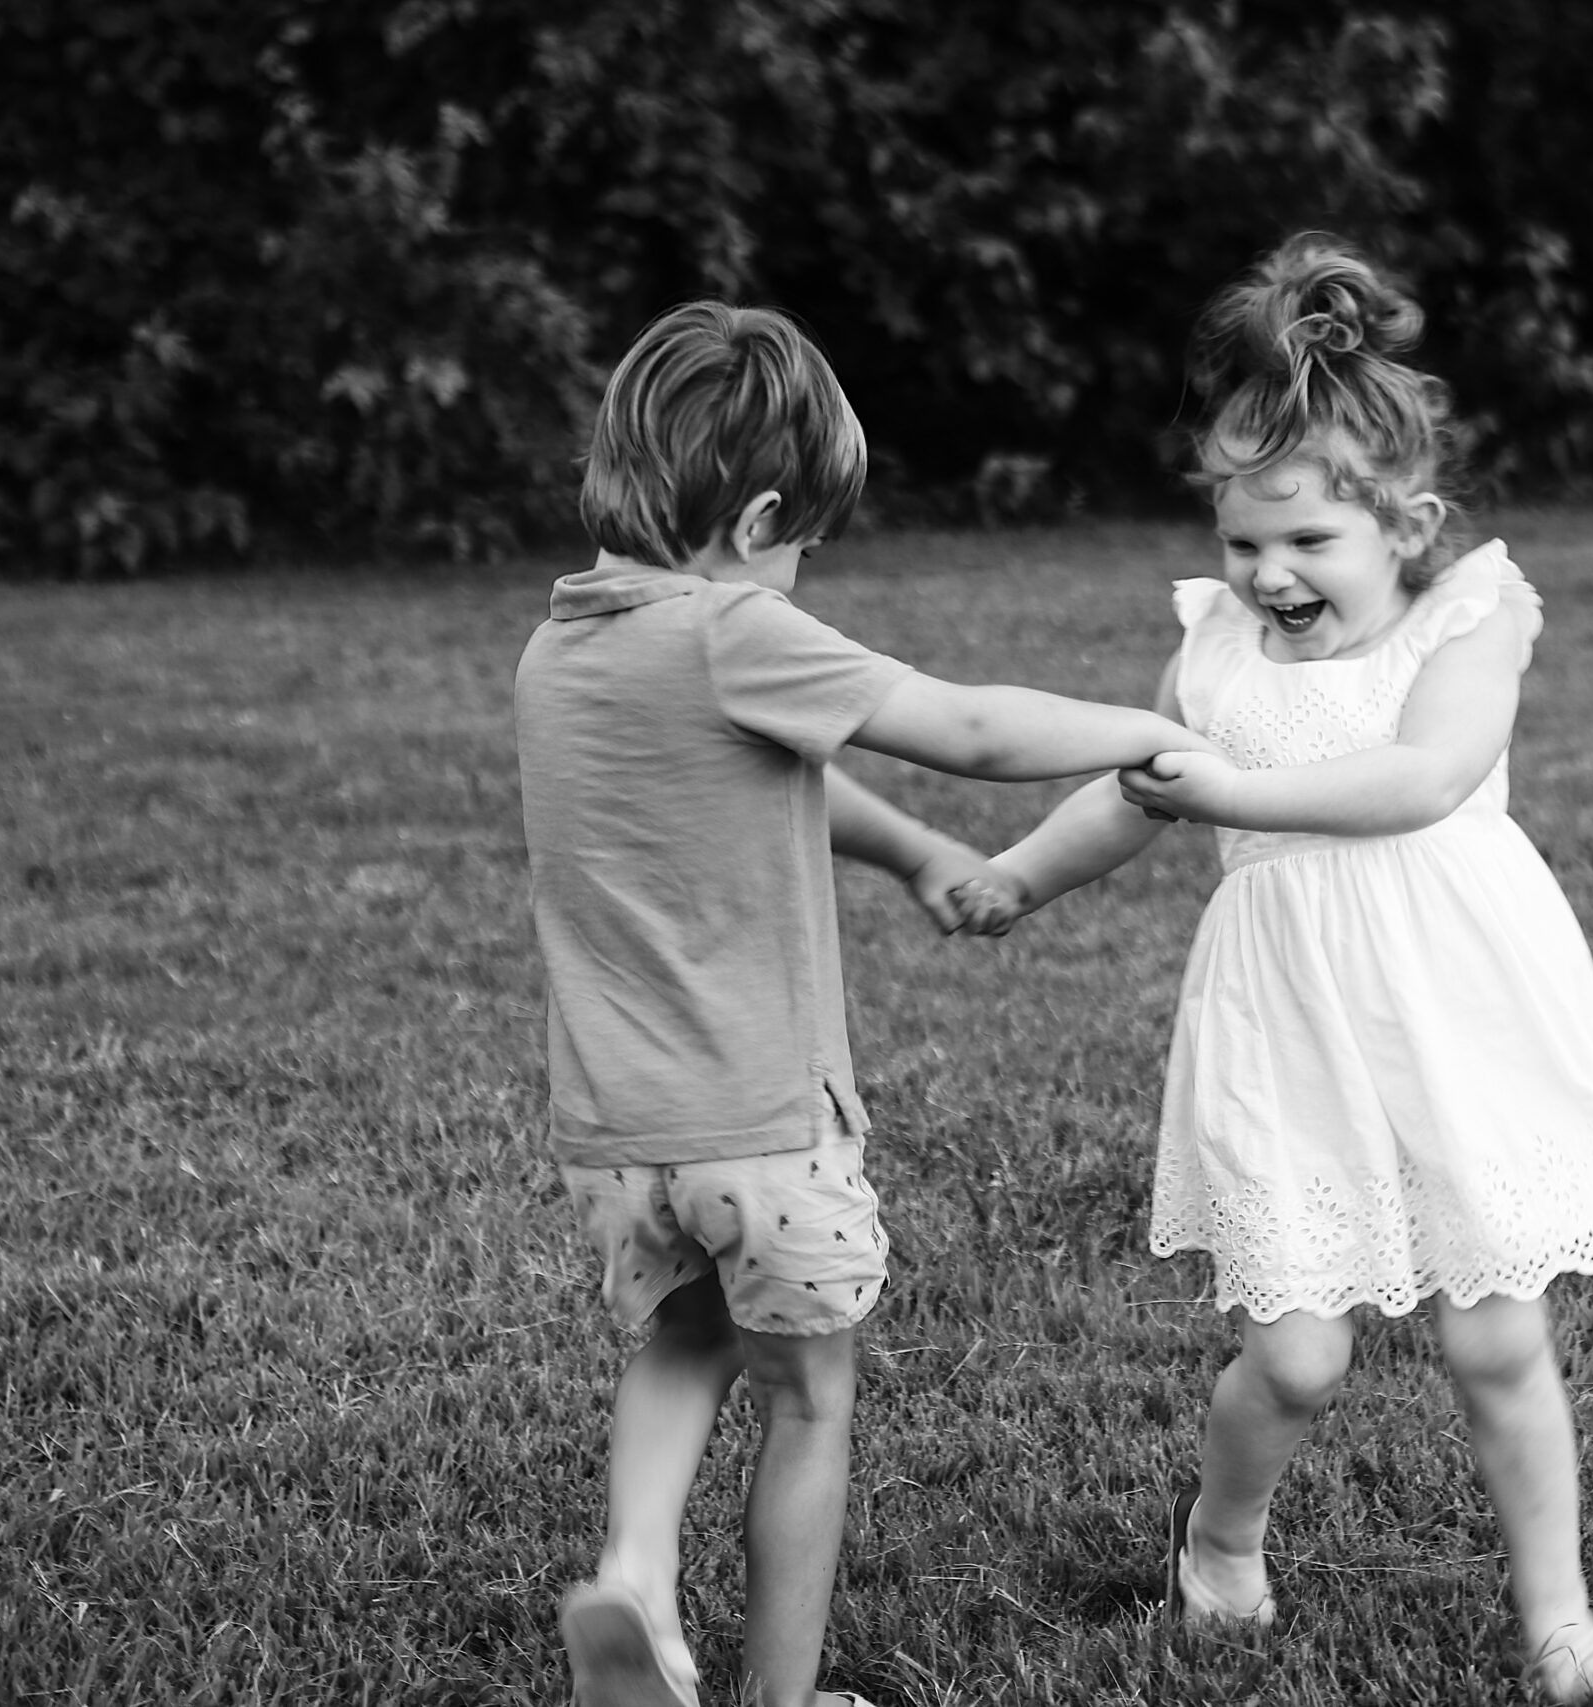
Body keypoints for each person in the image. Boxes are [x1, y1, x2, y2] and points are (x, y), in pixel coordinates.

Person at [974, 236, 1593, 1703]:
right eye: (1244, 542)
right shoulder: (1213, 650)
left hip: (1459, 1012)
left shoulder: (1470, 619)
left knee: (1496, 1335)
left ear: (1405, 525)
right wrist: (1018, 875)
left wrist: (1228, 797)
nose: (1268, 575)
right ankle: (1224, 1539)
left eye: (1308, 543)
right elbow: (1133, 786)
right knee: (1295, 1359)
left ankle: (1557, 1611)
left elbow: (1422, 779)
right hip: (1287, 1025)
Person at [516, 300, 1213, 1707]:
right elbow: (963, 727)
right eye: (806, 550)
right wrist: (1150, 732)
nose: (803, 577)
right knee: (809, 1393)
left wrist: (910, 854)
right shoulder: (731, 631)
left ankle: (636, 1579)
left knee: (685, 1339)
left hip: (620, 1138)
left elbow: (768, 783)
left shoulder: (563, 654)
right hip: (769, 1126)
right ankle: (781, 1702)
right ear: (762, 516)